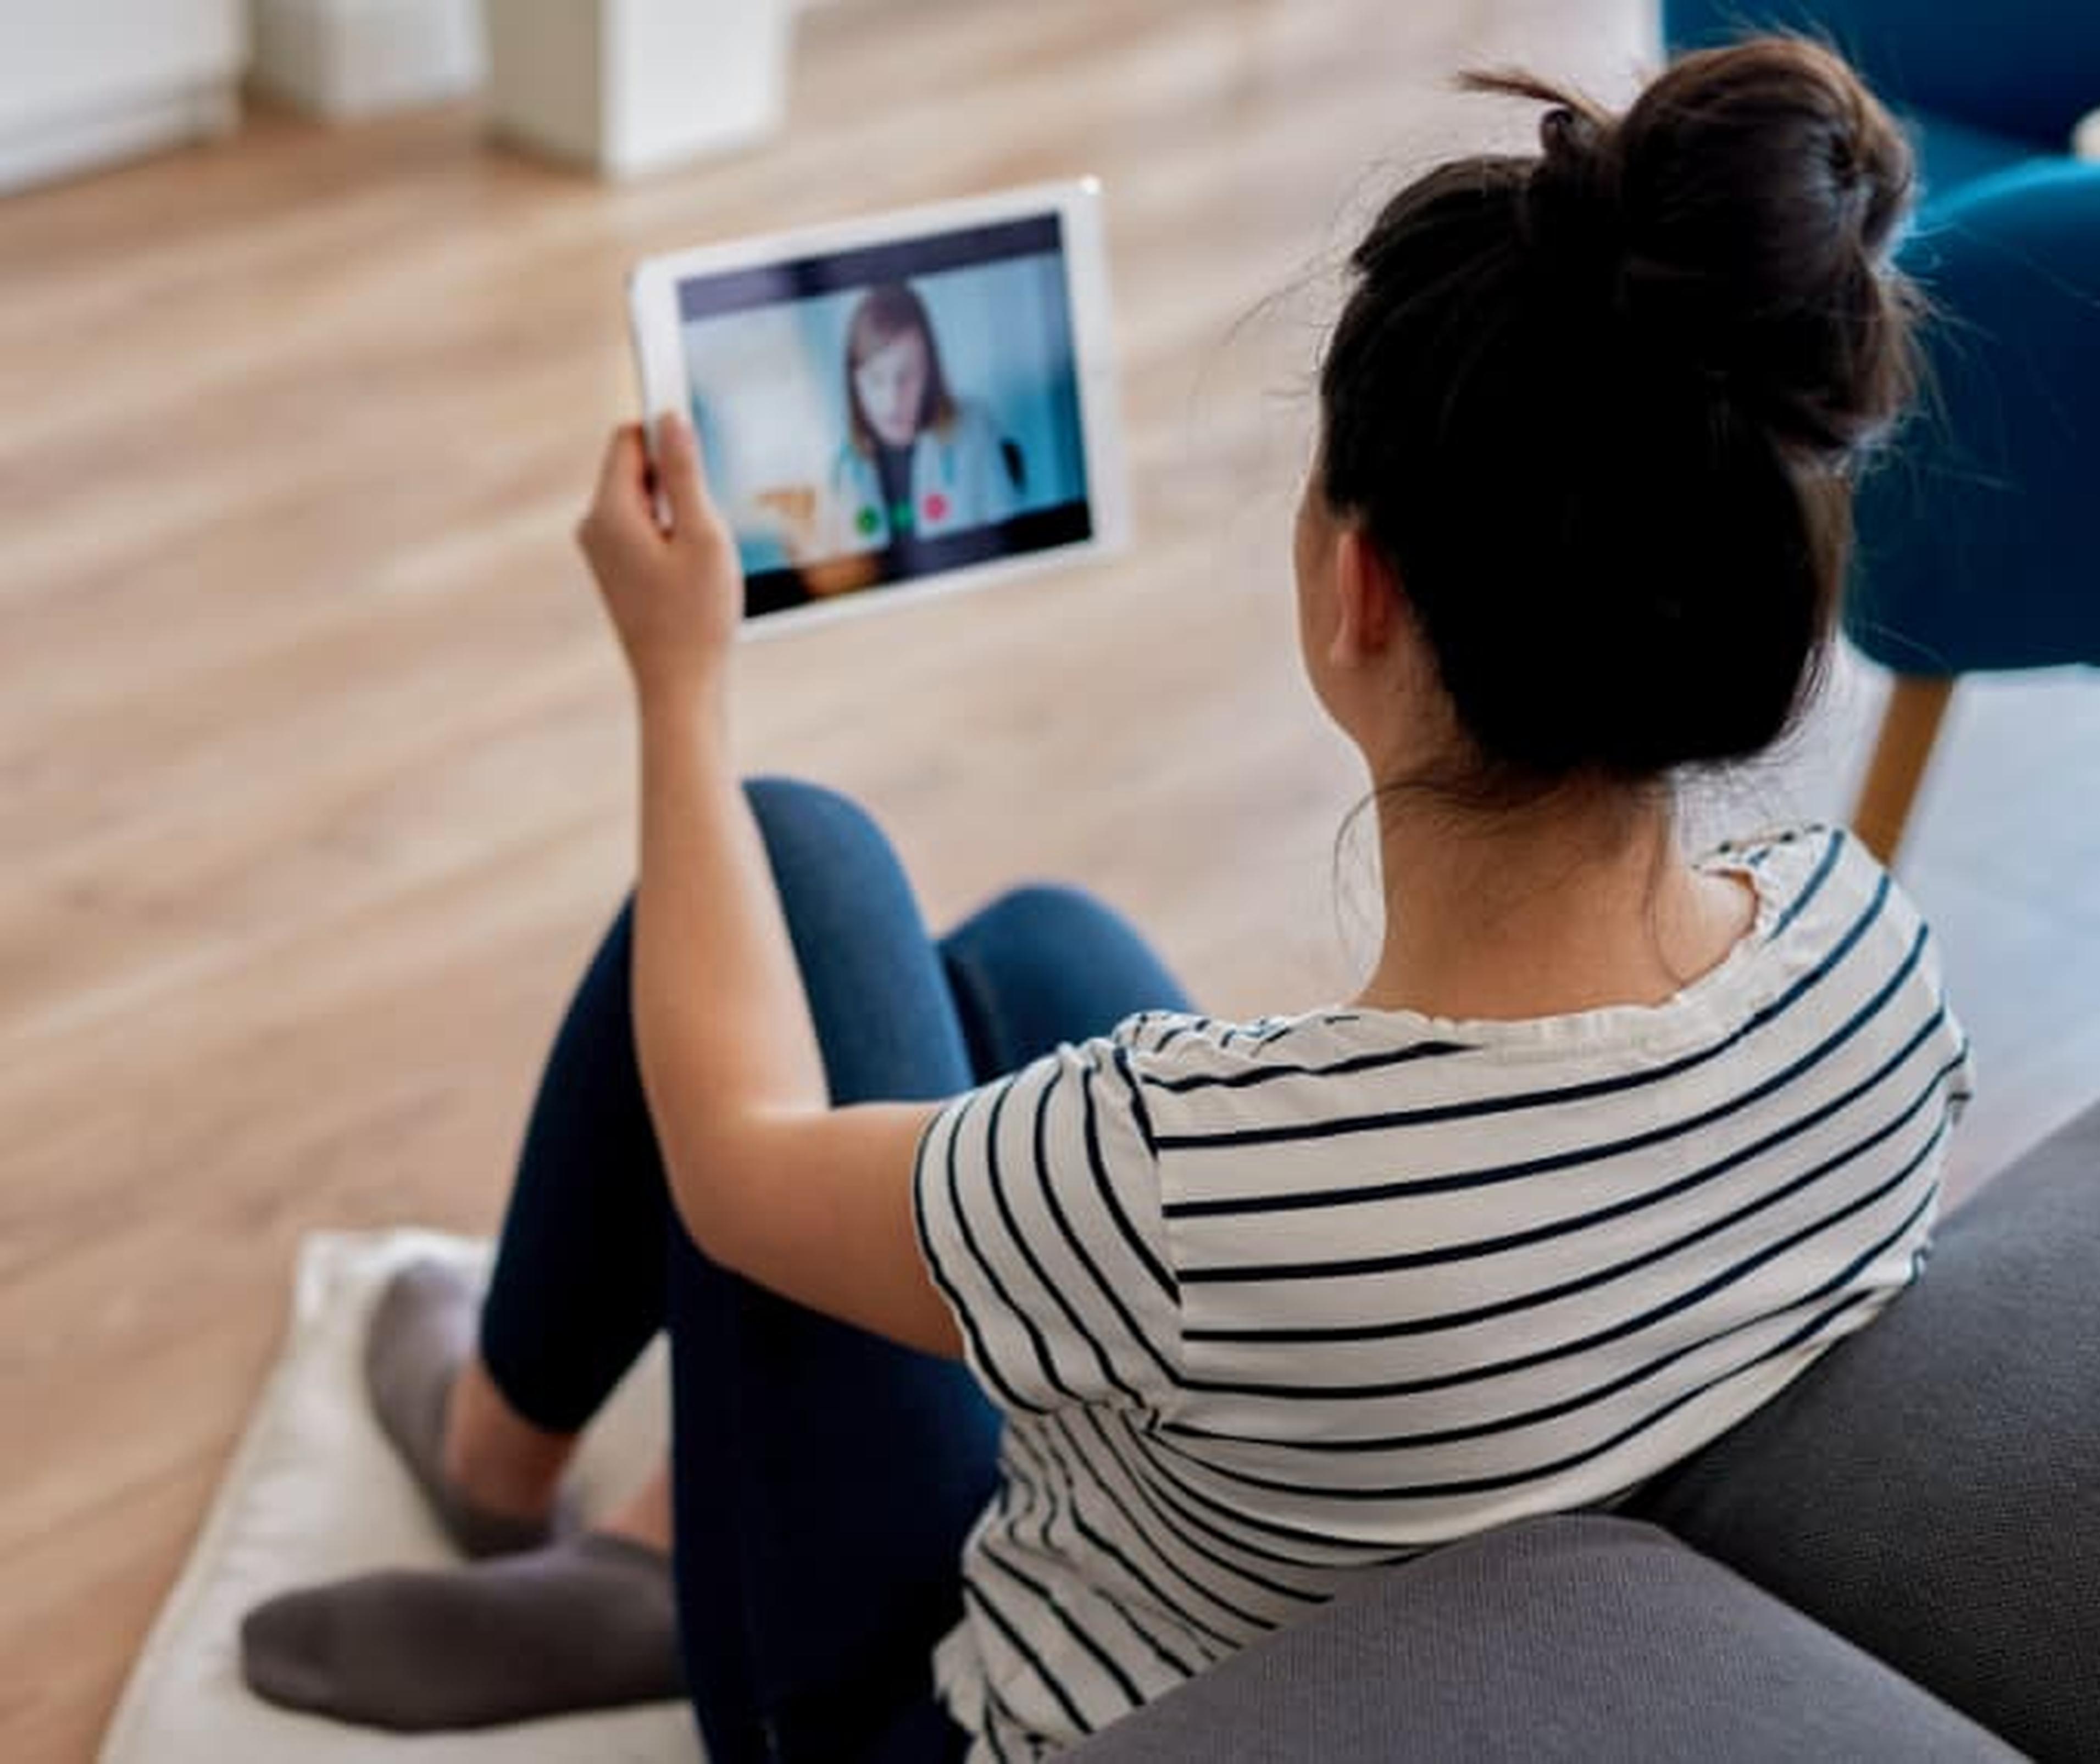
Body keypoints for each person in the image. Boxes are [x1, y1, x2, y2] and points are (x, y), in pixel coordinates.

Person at [238, 35, 1971, 1764]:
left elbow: (736, 1161)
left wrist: (677, 684)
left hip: (955, 1716)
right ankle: (647, 1528)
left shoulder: (1198, 1177)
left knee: (781, 849)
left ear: (1355, 583)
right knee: (1035, 950)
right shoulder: (1872, 963)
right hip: (1384, 1591)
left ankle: (500, 1469)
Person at [813, 281, 1020, 573]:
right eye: (875, 379)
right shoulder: (841, 471)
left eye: (907, 376)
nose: (892, 400)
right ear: (854, 384)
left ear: (930, 372)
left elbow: (1014, 551)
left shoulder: (975, 429)